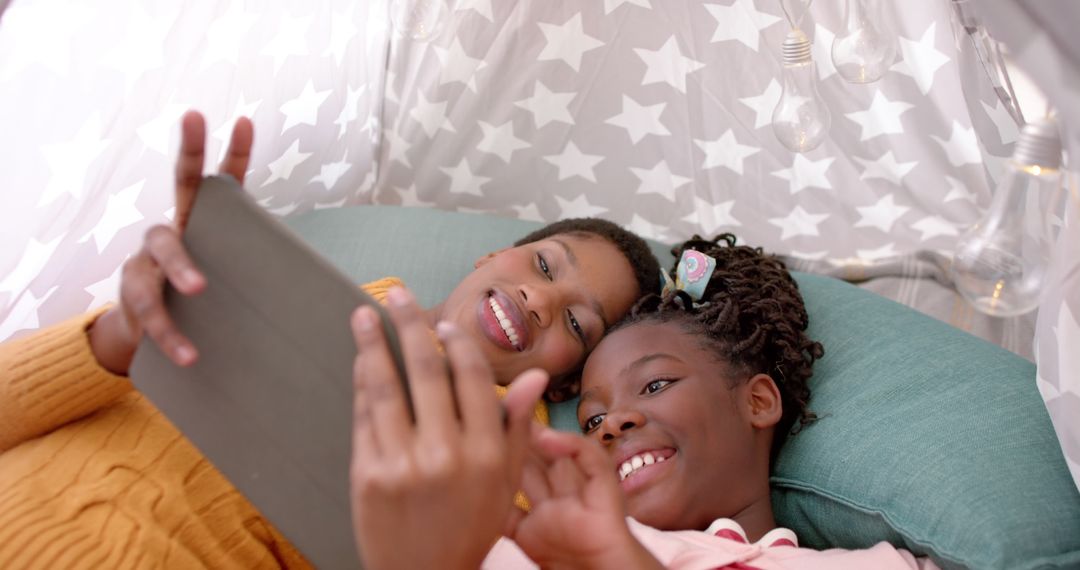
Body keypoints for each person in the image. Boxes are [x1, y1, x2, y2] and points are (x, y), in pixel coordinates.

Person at [0, 111, 660, 569]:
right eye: (544, 266)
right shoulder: (253, 286)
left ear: (570, 377)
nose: (540, 301)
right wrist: (118, 338)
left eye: (578, 323)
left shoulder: (507, 475)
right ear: (490, 257)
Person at [349, 234, 939, 569]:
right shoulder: (534, 543)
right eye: (593, 420)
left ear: (758, 401)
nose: (614, 424)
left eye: (655, 385)